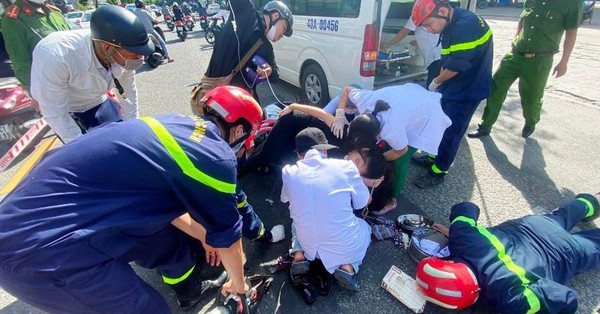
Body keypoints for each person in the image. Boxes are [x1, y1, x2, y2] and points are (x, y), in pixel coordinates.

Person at [0, 86, 264, 313]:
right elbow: (230, 239)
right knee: (147, 309)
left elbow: (162, 202)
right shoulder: (214, 156)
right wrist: (238, 284)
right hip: (40, 254)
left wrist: (202, 234)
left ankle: (188, 290)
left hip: (26, 219)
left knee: (158, 236)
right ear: (239, 129)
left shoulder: (171, 126)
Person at [416, 193, 600, 313]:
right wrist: (455, 232)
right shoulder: (464, 239)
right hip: (534, 225)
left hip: (564, 253)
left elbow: (566, 298)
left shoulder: (511, 299)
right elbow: (466, 208)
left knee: (595, 247)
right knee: (562, 215)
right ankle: (590, 202)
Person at [281, 128, 381, 304]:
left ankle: (298, 255)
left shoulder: (288, 172)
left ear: (298, 155)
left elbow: (285, 199)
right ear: (325, 151)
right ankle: (348, 266)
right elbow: (360, 203)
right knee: (364, 228)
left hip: (308, 245)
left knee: (296, 222)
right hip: (342, 246)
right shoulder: (346, 167)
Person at [30, 5, 153, 143]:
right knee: (92, 154)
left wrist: (133, 127)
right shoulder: (57, 57)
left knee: (125, 140)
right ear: (107, 48)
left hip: (101, 101)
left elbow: (128, 94)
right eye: (136, 54)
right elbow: (56, 113)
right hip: (71, 113)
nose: (141, 58)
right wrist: (81, 146)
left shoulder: (124, 53)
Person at [468, 0, 582, 139]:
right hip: (515, 55)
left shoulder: (572, 3)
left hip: (539, 60)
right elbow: (523, 21)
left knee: (531, 97)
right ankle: (485, 126)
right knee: (495, 88)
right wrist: (516, 37)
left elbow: (572, 32)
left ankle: (531, 121)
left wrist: (564, 61)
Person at [409, 0, 493, 188]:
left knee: (451, 131)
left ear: (444, 11)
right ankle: (433, 156)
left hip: (466, 90)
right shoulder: (455, 21)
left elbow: (454, 68)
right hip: (455, 86)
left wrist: (436, 82)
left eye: (429, 24)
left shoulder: (465, 27)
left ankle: (438, 172)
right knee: (439, 124)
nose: (429, 31)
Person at [330, 84, 452, 201]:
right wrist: (339, 115)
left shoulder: (391, 131)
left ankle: (392, 198)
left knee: (400, 161)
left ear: (377, 136)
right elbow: (346, 90)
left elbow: (401, 151)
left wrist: (379, 159)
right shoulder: (366, 101)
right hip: (407, 97)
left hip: (426, 108)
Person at [190, 0, 293, 115]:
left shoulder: (267, 47)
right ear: (275, 16)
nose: (282, 35)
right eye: (284, 28)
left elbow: (275, 75)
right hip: (212, 97)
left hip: (239, 104)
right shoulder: (247, 13)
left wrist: (269, 70)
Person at [0, 0, 69, 92]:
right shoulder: (13, 19)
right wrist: (33, 93)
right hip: (52, 88)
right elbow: (21, 62)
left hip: (78, 81)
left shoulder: (54, 12)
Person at [380, 13, 441, 86]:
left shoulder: (418, 13)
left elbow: (404, 32)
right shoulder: (437, 15)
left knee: (432, 86)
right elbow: (430, 35)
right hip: (438, 57)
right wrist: (417, 41)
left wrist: (388, 44)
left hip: (435, 60)